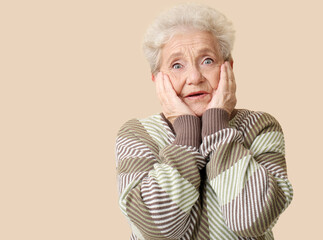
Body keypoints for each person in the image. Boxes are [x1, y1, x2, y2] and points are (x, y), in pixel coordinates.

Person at [115, 3, 293, 240]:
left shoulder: (260, 126)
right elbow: (157, 229)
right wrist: (186, 134)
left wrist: (217, 126)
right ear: (157, 79)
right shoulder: (137, 134)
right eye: (177, 65)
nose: (194, 77)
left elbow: (251, 220)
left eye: (207, 60)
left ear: (227, 67)